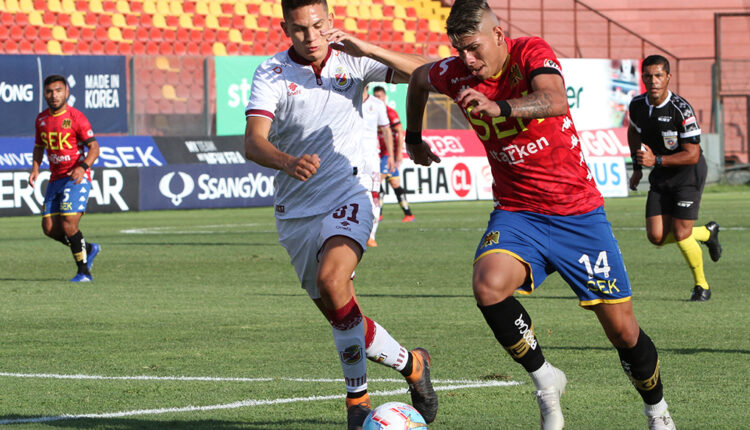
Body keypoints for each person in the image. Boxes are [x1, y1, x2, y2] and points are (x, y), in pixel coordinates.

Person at [405, 1, 675, 429]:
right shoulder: (454, 72)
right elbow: (419, 79)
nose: (467, 61)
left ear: (498, 35)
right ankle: (546, 380)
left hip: (578, 215)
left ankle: (657, 411)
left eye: (474, 49)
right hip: (518, 212)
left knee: (623, 332)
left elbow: (553, 100)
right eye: (459, 51)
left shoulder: (530, 51)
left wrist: (503, 107)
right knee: (488, 286)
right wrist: (414, 137)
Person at [242, 1, 437, 429]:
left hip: (351, 192)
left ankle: (358, 403)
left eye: (317, 26)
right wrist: (286, 161)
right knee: (340, 311)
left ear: (330, 22)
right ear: (284, 29)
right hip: (295, 211)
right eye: (298, 29)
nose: (310, 37)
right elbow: (253, 143)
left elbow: (428, 74)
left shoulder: (353, 58)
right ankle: (413, 365)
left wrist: (368, 48)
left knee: (334, 281)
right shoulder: (271, 73)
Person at [628, 55, 722, 302]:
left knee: (681, 234)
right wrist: (638, 167)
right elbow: (633, 131)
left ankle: (702, 286)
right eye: (648, 76)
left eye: (659, 75)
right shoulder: (637, 105)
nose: (653, 81)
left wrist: (655, 161)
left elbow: (692, 154)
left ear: (668, 77)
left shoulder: (681, 109)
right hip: (661, 173)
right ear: (643, 78)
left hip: (687, 174)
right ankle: (706, 234)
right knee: (656, 237)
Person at [29, 75, 101, 283]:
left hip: (76, 177)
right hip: (55, 178)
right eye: (50, 91)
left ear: (67, 92)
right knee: (50, 229)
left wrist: (83, 166)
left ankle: (84, 273)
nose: (54, 95)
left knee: (69, 223)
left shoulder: (76, 117)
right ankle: (88, 248)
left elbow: (94, 147)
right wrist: (35, 169)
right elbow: (39, 146)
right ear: (44, 94)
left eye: (58, 90)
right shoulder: (41, 119)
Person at [372, 85, 415, 222]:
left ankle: (378, 213)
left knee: (377, 181)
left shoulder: (390, 112)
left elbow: (400, 131)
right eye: (376, 96)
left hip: (387, 154)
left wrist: (398, 154)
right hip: (376, 153)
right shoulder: (373, 112)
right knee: (395, 183)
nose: (378, 99)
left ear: (385, 97)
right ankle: (408, 214)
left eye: (380, 96)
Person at [360, 84, 394, 247]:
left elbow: (387, 130)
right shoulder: (345, 101)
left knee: (374, 196)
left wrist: (391, 156)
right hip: (348, 157)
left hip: (371, 157)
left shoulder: (377, 104)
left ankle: (371, 234)